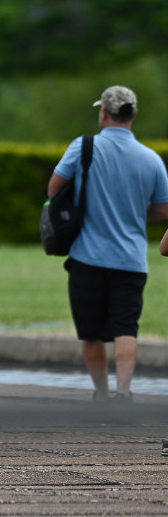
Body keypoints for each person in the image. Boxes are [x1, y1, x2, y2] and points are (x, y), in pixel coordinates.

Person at [49, 85, 168, 405]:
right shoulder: (151, 158)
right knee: (126, 328)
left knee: (90, 331)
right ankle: (123, 392)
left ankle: (101, 394)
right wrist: (134, 209)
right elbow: (164, 209)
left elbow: (54, 189)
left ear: (104, 113)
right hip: (131, 259)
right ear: (134, 115)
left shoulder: (83, 147)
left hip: (87, 255)